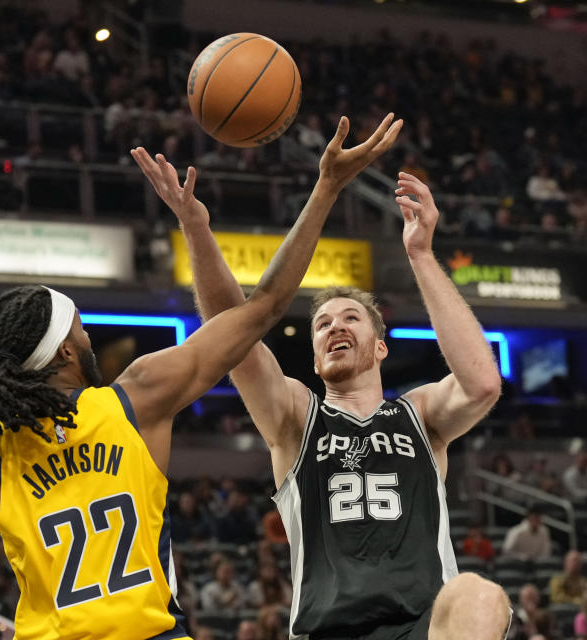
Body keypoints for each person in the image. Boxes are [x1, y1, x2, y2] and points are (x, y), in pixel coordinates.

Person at [0, 113, 403, 639]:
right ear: (63, 352)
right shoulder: (138, 397)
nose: (92, 337)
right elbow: (263, 308)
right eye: (82, 328)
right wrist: (323, 190)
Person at [152, 125, 511, 636]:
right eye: (322, 324)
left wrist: (421, 255)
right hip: (328, 629)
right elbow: (230, 337)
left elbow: (481, 384)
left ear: (380, 347)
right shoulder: (297, 416)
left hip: (420, 627)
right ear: (317, 360)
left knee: (481, 596)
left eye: (350, 319)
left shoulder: (420, 415)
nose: (335, 326)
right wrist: (196, 228)